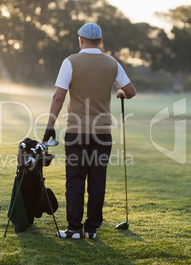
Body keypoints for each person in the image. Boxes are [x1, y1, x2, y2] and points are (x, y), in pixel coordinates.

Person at [42, 23, 136, 239]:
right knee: (97, 181)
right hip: (102, 134)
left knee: (75, 180)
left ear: (80, 40)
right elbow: (130, 91)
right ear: (101, 41)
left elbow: (59, 96)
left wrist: (50, 125)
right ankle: (92, 229)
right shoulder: (112, 63)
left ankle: (74, 229)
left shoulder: (70, 61)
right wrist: (120, 93)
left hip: (76, 133)